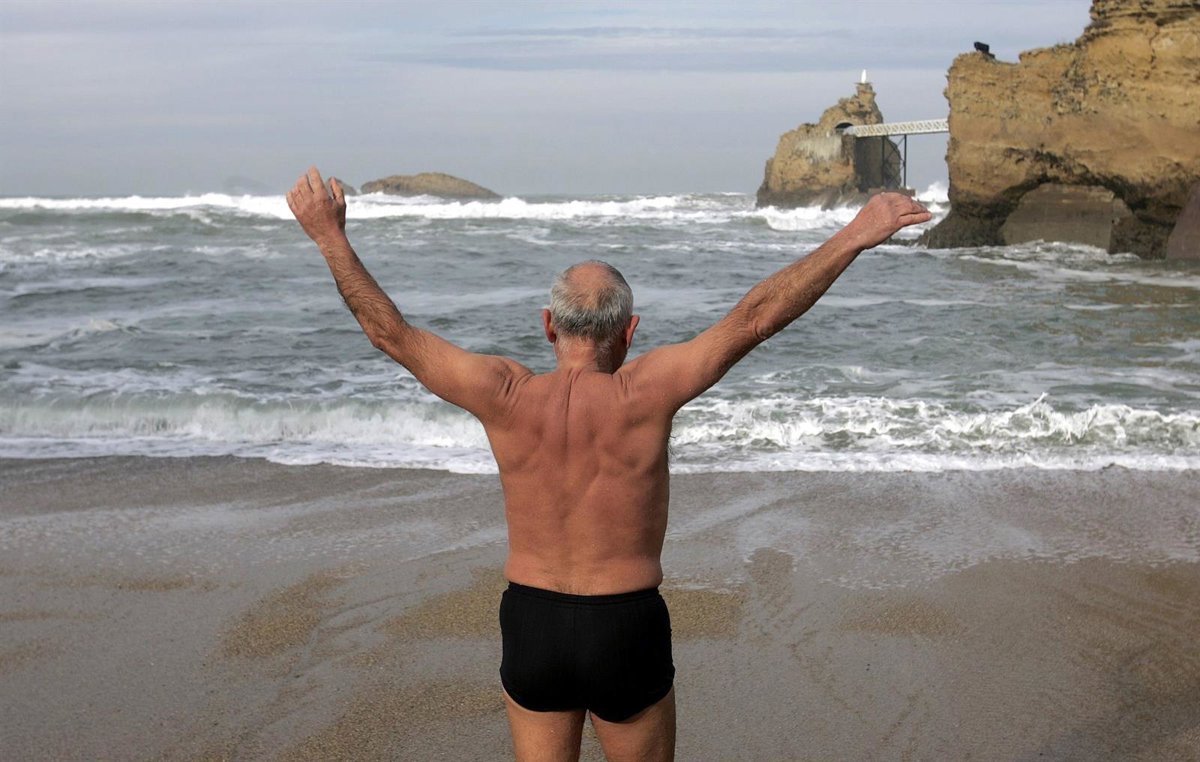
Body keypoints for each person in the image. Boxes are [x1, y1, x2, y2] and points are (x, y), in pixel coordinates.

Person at [287, 167, 931, 762]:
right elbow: (756, 317)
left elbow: (391, 334)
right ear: (630, 331)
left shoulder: (503, 394)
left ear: (548, 326)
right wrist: (855, 234)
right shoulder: (646, 392)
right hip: (625, 623)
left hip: (533, 622)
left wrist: (329, 237)